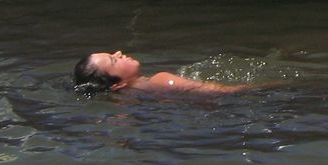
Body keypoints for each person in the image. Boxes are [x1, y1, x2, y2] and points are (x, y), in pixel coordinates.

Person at [72, 50, 259, 96]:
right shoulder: (161, 80)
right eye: (114, 60)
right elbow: (225, 92)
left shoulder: (124, 102)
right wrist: (270, 86)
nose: (119, 53)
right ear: (117, 84)